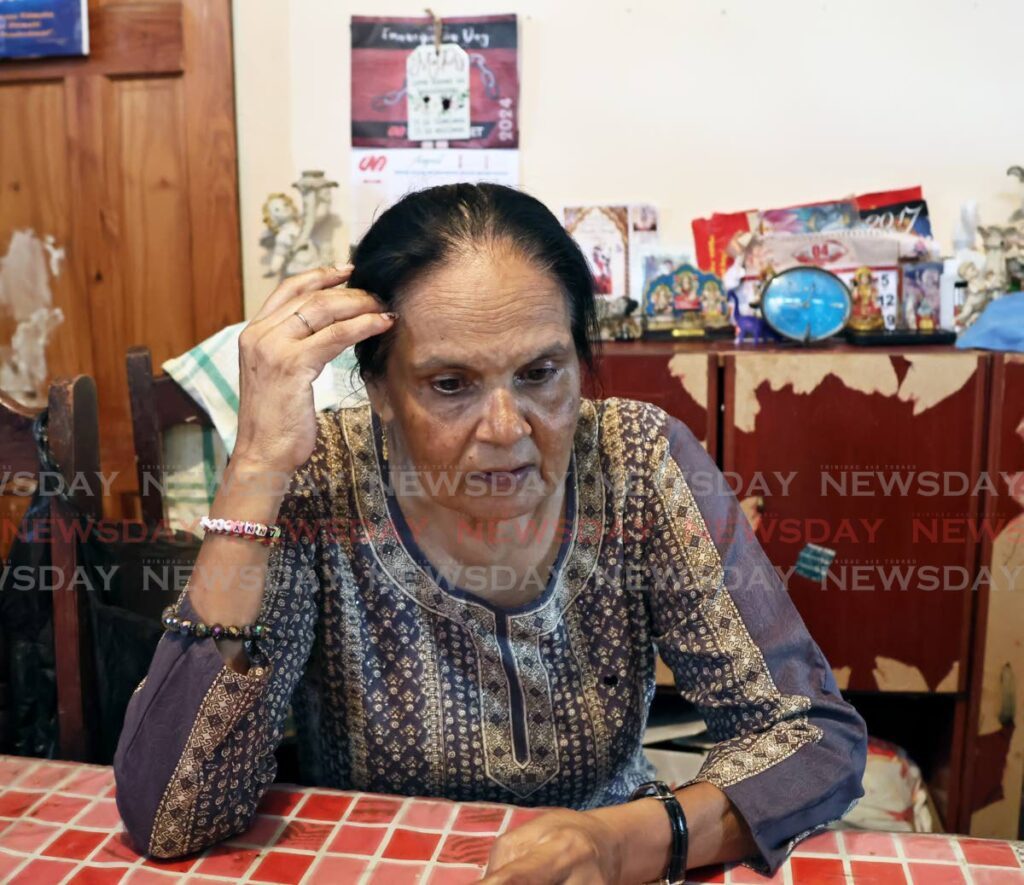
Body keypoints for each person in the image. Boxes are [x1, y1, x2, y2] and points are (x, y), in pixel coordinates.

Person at [114, 183, 866, 884]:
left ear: (580, 358)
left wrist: (618, 840)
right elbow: (172, 814)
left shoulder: (641, 463)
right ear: (377, 387)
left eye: (541, 372)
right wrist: (254, 466)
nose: (507, 429)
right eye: (450, 385)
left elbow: (811, 737)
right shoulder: (317, 483)